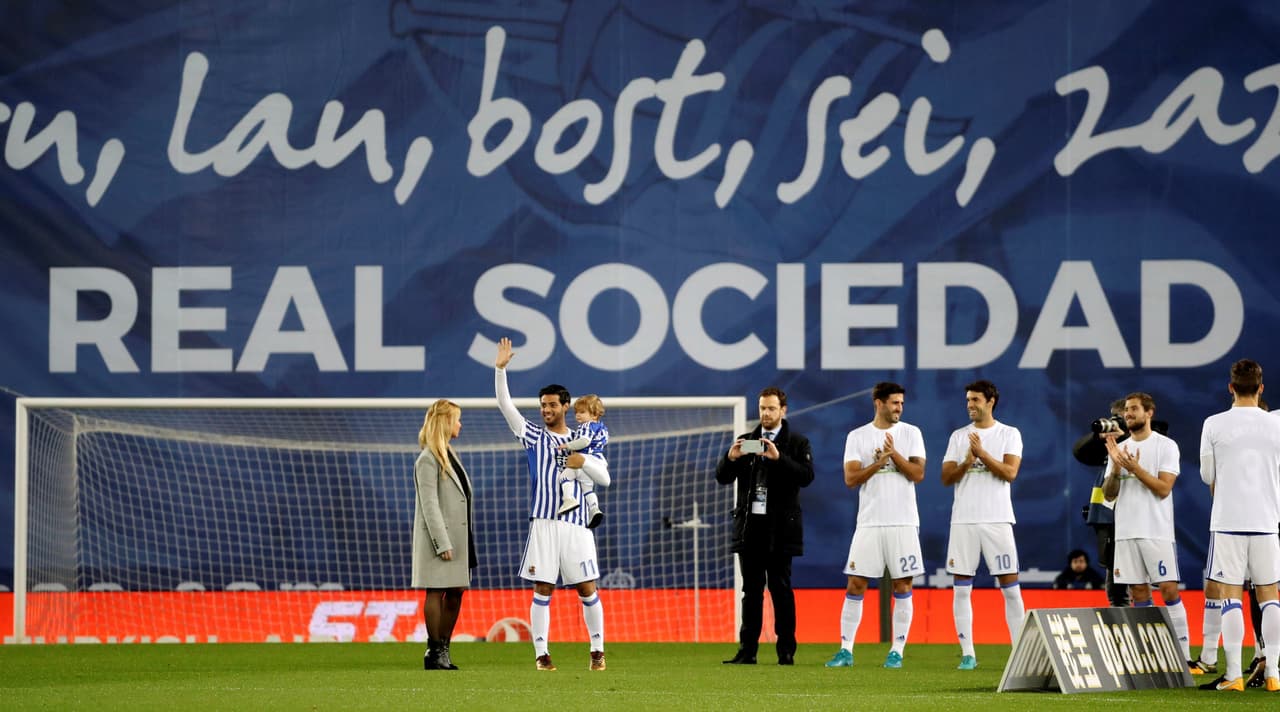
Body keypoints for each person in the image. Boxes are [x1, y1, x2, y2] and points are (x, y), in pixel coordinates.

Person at [494, 337, 612, 672]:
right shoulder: (533, 436)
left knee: (587, 588)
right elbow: (506, 406)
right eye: (542, 405)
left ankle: (597, 650)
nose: (546, 410)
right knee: (543, 587)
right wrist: (500, 370)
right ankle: (542, 655)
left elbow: (604, 477)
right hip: (544, 522)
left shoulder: (584, 439)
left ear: (565, 406)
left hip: (576, 525)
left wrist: (582, 462)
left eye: (552, 405)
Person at [824, 382, 926, 670]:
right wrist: (879, 462)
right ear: (878, 403)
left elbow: (918, 473)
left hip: (903, 522)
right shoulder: (858, 436)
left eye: (902, 404)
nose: (899, 408)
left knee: (902, 583)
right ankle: (846, 651)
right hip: (869, 522)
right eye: (895, 403)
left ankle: (897, 651)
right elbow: (850, 478)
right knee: (856, 583)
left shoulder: (911, 433)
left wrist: (894, 456)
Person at [715, 386, 815, 665]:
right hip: (750, 527)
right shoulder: (747, 441)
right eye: (762, 408)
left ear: (783, 410)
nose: (766, 413)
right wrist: (731, 458)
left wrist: (778, 458)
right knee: (752, 591)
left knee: (781, 589)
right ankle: (747, 651)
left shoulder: (797, 442)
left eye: (771, 408)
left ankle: (786, 651)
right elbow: (722, 477)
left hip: (782, 528)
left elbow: (806, 476)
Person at [1197, 359, 1280, 692]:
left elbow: (1207, 475)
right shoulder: (1276, 424)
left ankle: (1233, 674)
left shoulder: (1214, 424)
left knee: (1230, 595)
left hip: (1229, 521)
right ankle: (1273, 669)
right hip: (1267, 520)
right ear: (1261, 388)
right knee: (1270, 595)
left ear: (1230, 387)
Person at [1099, 392, 1195, 669]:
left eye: (1134, 409)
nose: (1128, 414)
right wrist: (1116, 468)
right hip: (1126, 531)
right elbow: (1109, 494)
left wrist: (1136, 468)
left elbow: (1164, 489)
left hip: (1156, 530)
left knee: (1167, 589)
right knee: (1138, 593)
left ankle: (1185, 655)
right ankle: (1148, 656)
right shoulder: (1119, 448)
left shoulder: (1166, 446)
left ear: (1149, 413)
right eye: (1127, 410)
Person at [940, 379, 1025, 671]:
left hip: (997, 519)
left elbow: (1010, 473)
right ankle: (968, 654)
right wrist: (967, 460)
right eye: (967, 400)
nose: (969, 405)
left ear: (990, 401)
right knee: (962, 589)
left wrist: (983, 455)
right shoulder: (958, 436)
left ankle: (1019, 652)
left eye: (975, 400)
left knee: (1010, 588)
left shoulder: (1009, 434)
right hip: (963, 519)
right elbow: (947, 477)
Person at [412, 399, 476, 670]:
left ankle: (443, 649)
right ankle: (434, 651)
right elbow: (429, 504)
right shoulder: (427, 459)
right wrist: (441, 542)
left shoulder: (448, 453)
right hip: (440, 539)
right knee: (436, 590)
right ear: (445, 422)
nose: (460, 424)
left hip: (459, 538)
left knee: (457, 590)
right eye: (457, 419)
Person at [1072, 398, 1132, 607]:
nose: (1119, 423)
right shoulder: (1106, 446)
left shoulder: (1145, 441)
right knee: (1114, 578)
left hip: (1135, 518)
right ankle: (1119, 620)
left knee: (1138, 580)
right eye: (1114, 418)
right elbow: (1080, 452)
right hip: (1108, 518)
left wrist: (1126, 437)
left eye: (1122, 418)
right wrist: (1099, 437)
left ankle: (1141, 619)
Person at [556, 394, 609, 529]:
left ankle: (568, 499)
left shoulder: (586, 426)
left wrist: (568, 445)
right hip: (598, 460)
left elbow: (584, 441)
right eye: (576, 412)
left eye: (582, 412)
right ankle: (594, 509)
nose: (577, 415)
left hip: (584, 459)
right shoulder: (602, 428)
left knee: (564, 477)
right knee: (587, 489)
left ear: (594, 414)